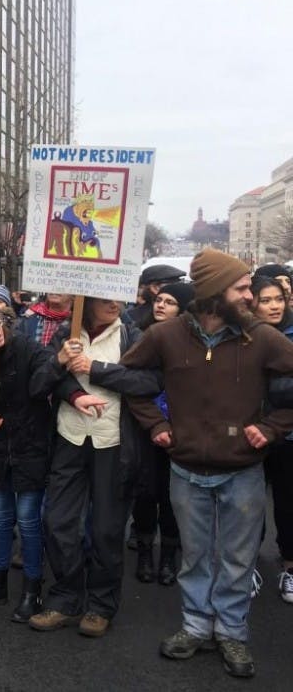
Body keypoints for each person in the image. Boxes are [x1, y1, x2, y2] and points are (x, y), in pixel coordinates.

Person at [119, 249, 293, 677]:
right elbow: (129, 378)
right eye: (240, 288)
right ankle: (196, 627)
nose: (250, 296)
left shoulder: (262, 337)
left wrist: (272, 427)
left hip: (243, 472)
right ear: (215, 291)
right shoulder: (167, 335)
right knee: (195, 558)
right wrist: (155, 424)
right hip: (186, 471)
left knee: (236, 561)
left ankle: (232, 633)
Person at [0, 301, 96, 621]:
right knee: (0, 519)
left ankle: (32, 589)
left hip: (30, 443)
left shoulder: (23, 345)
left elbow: (44, 380)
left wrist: (75, 394)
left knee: (29, 521)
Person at [29, 297, 150, 638]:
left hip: (113, 443)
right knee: (58, 521)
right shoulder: (66, 333)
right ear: (89, 300)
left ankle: (100, 605)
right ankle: (66, 596)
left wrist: (95, 370)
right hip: (70, 438)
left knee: (106, 529)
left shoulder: (132, 335)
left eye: (118, 298)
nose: (115, 303)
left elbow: (148, 383)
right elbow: (41, 383)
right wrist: (68, 381)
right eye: (106, 299)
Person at [131, 280, 194, 585]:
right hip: (144, 428)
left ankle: (169, 555)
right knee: (144, 493)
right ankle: (144, 552)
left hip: (181, 431)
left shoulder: (193, 342)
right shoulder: (140, 336)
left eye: (169, 302)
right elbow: (130, 380)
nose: (160, 305)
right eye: (159, 299)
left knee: (174, 496)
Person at [251, 276, 293, 604]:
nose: (274, 305)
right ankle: (247, 564)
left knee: (289, 504)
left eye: (278, 298)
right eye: (265, 300)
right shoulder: (242, 335)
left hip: (289, 435)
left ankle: (289, 566)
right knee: (248, 506)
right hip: (250, 434)